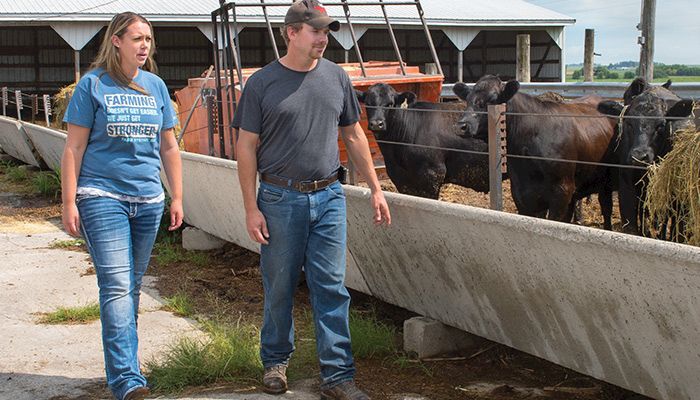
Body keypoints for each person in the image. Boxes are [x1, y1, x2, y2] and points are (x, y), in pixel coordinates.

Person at [233, 1, 391, 399]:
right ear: (291, 33)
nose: (323, 39)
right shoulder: (262, 83)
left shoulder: (336, 77)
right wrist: (251, 207)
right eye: (316, 31)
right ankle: (275, 362)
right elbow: (246, 147)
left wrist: (375, 189)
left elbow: (354, 135)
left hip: (329, 196)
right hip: (279, 197)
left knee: (332, 287)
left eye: (326, 32)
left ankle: (337, 376)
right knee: (280, 284)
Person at [60, 12, 183, 400]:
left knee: (130, 288)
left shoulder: (157, 87)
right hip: (101, 196)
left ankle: (127, 368)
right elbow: (73, 148)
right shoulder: (92, 85)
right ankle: (128, 380)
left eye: (148, 39)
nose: (144, 46)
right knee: (115, 286)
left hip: (148, 200)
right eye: (136, 39)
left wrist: (177, 196)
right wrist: (69, 200)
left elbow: (169, 146)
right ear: (117, 41)